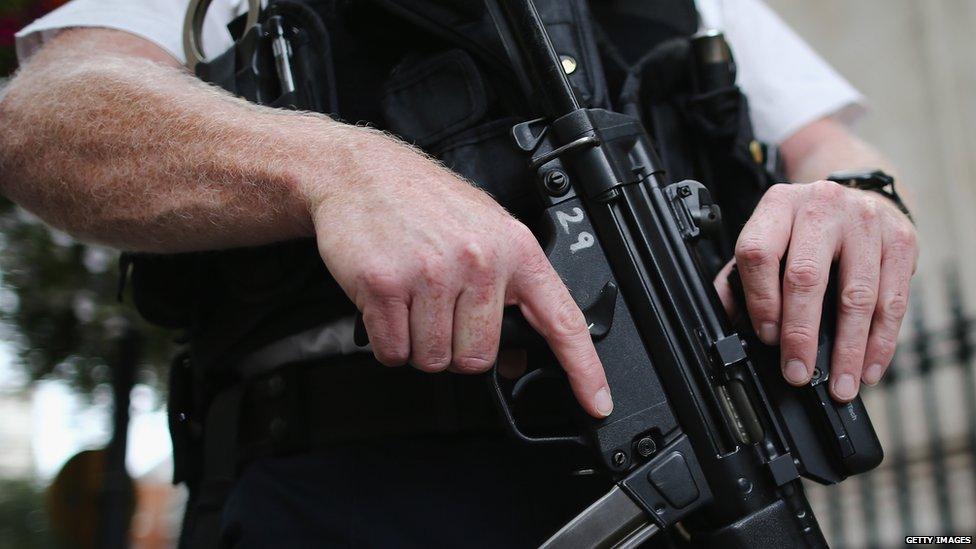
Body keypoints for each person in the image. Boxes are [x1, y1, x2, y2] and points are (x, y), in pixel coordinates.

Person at [1, 0, 918, 546]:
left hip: (713, 475)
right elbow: (48, 115)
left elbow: (828, 141)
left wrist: (858, 196)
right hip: (355, 486)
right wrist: (337, 170)